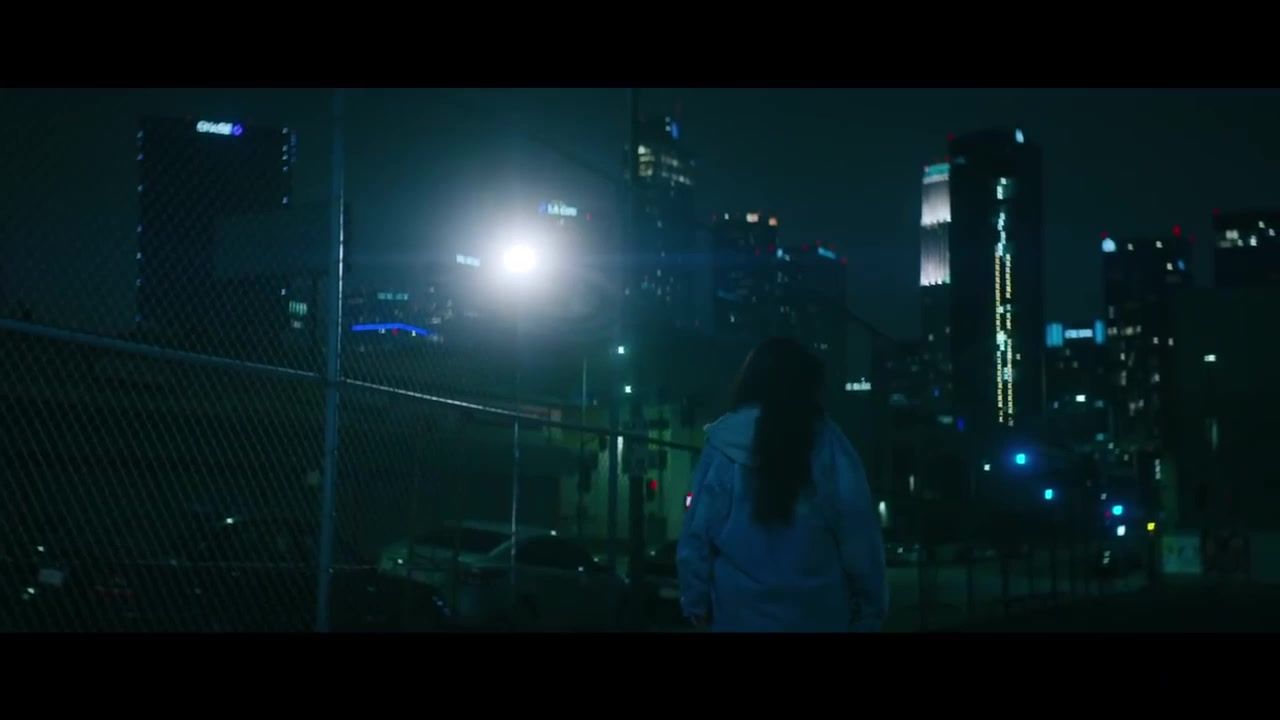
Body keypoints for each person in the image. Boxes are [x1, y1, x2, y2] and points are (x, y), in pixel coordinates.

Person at [676, 337, 888, 632]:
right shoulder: (829, 444)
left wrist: (695, 603)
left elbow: (697, 535)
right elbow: (858, 533)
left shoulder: (723, 445)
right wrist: (870, 608)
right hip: (820, 617)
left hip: (739, 617)